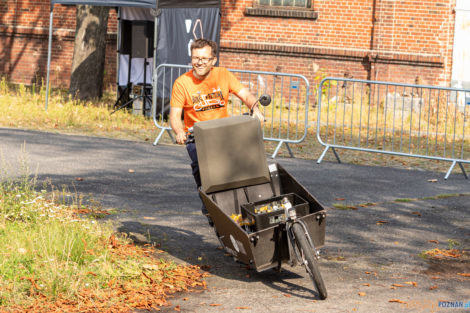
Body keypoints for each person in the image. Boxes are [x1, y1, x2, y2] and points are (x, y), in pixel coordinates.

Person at [169, 38, 264, 224]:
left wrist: (256, 109)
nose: (199, 62)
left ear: (213, 60)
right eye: (196, 58)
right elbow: (174, 115)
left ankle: (245, 209)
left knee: (242, 169)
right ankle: (208, 202)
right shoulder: (182, 83)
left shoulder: (223, 75)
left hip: (223, 135)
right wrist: (179, 131)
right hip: (198, 138)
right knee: (203, 169)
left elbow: (245, 95)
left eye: (204, 58)